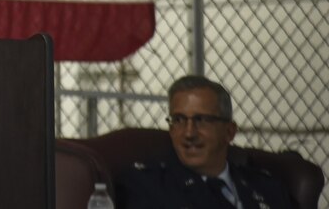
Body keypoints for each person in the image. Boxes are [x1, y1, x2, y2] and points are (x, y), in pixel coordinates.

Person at [117, 75, 295, 209]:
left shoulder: (266, 187)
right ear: (171, 130)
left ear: (229, 132)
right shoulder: (147, 185)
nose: (189, 133)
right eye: (178, 120)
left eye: (201, 120)